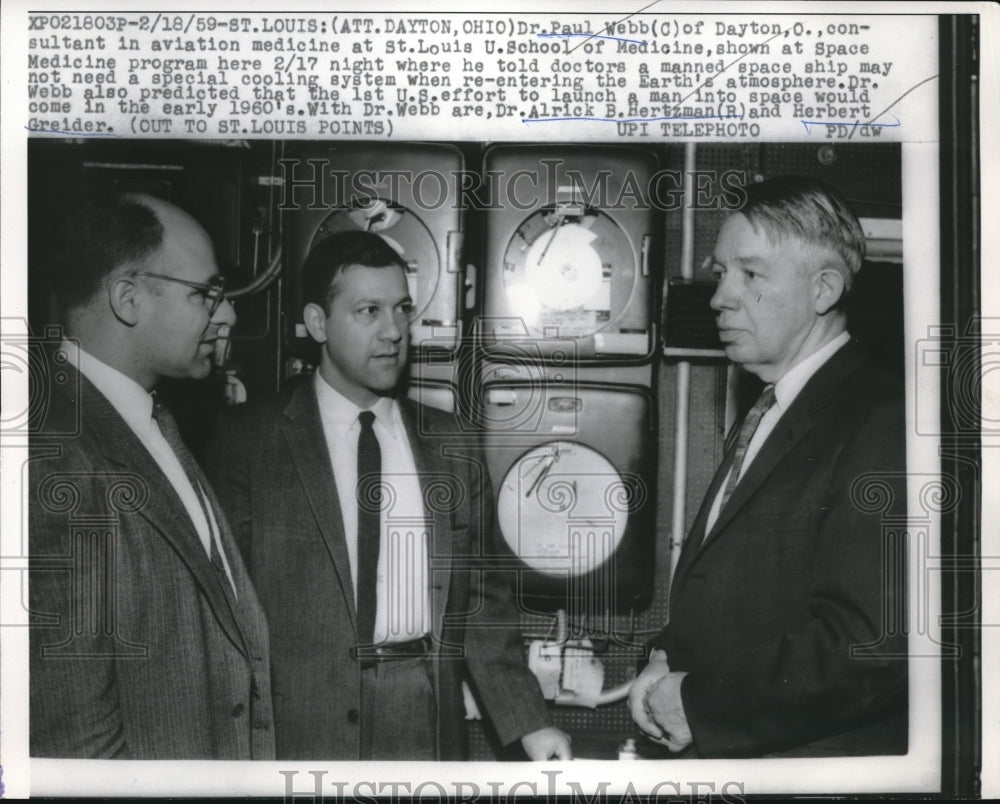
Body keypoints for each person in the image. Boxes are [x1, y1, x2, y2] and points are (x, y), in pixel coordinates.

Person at [204, 230, 572, 761]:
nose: (394, 331)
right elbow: (224, 615)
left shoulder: (452, 442)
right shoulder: (248, 442)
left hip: (423, 719)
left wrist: (529, 723)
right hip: (299, 727)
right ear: (316, 324)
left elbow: (482, 605)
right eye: (368, 311)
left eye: (402, 309)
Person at [630, 176, 907, 758]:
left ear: (823, 289)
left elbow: (872, 645)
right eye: (720, 271)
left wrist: (699, 705)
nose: (718, 297)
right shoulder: (774, 408)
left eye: (750, 275)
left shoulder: (882, 421)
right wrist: (663, 656)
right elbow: (743, 593)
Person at [29, 194, 275, 759]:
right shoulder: (55, 459)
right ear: (128, 299)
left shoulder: (153, 419)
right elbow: (73, 741)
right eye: (206, 294)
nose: (229, 314)